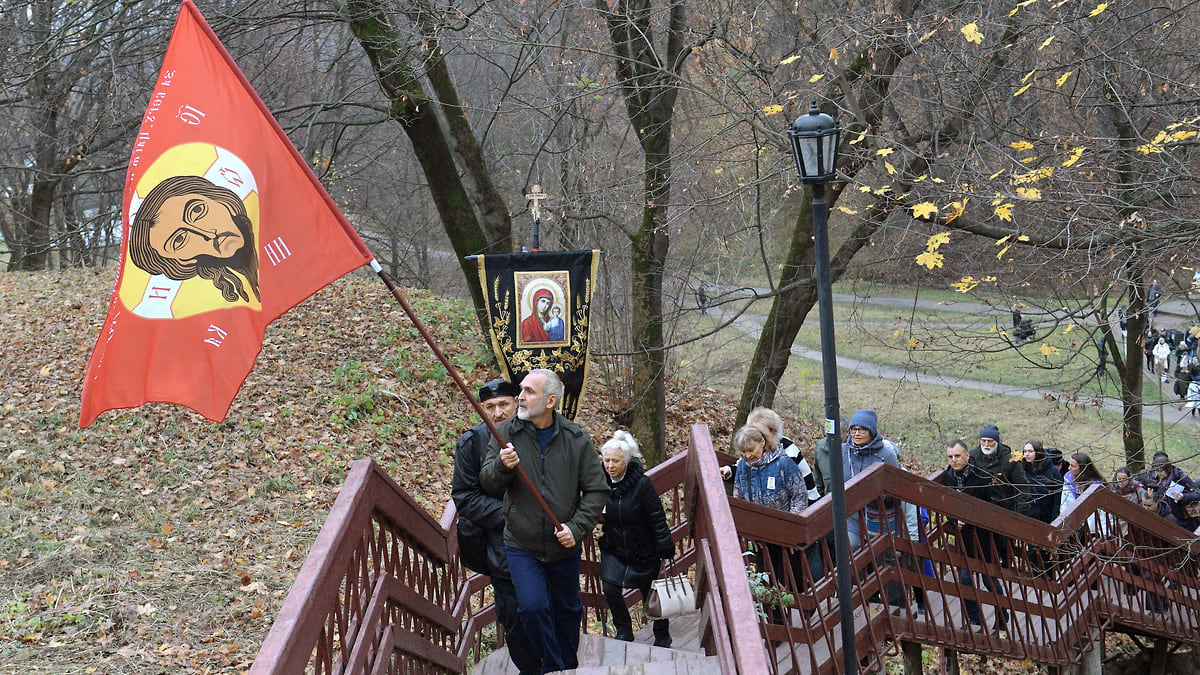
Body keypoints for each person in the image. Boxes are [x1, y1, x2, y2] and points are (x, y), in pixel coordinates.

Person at [480, 368, 609, 673]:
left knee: (567, 610)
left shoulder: (575, 439)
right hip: (521, 543)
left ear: (551, 401)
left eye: (529, 392)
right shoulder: (507, 432)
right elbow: (487, 480)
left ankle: (567, 664)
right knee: (533, 607)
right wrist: (502, 466)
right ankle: (553, 667)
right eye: (521, 390)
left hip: (563, 545)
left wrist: (576, 529)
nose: (520, 397)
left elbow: (596, 490)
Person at [451, 379, 539, 675]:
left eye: (503, 404)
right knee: (515, 615)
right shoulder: (472, 443)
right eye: (489, 407)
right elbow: (465, 498)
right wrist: (511, 514)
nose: (498, 412)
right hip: (503, 547)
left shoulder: (542, 433)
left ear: (517, 403)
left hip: (546, 544)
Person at [128, 175, 260, 305]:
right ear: (182, 260)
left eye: (197, 210)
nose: (208, 234)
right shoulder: (210, 303)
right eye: (179, 240)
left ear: (220, 201)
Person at [597, 430, 675, 647]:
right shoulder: (600, 483)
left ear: (627, 461)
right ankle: (624, 630)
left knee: (650, 592)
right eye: (607, 460)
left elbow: (657, 517)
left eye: (615, 461)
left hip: (643, 548)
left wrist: (664, 545)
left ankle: (662, 634)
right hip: (614, 546)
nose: (610, 465)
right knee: (610, 588)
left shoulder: (642, 485)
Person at [730, 424, 809, 624]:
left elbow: (799, 496)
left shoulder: (783, 463)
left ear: (762, 443)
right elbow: (739, 500)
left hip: (785, 534)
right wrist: (749, 534)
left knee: (792, 577)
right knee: (767, 581)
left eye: (751, 450)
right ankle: (777, 625)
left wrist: (790, 529)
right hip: (759, 536)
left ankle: (806, 611)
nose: (748, 455)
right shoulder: (742, 467)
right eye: (743, 452)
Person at [842, 409, 906, 609]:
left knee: (885, 559)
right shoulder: (844, 451)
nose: (857, 433)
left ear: (871, 431)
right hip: (852, 513)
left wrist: (874, 493)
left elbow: (895, 488)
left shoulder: (885, 454)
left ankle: (896, 604)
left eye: (862, 429)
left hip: (880, 514)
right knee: (851, 547)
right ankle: (865, 598)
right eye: (854, 429)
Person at [942, 439, 1006, 631]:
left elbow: (997, 504)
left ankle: (1002, 616)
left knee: (989, 580)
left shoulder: (983, 476)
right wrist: (954, 520)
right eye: (950, 457)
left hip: (987, 537)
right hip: (965, 537)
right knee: (965, 578)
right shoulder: (949, 477)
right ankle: (974, 619)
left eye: (958, 456)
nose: (954, 460)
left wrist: (975, 518)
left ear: (967, 456)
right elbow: (946, 505)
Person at [971, 424, 1030, 516]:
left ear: (997, 441)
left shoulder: (1010, 460)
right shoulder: (971, 456)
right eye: (983, 441)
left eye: (990, 441)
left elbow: (1022, 487)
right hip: (975, 508)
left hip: (1003, 511)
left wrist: (1019, 515)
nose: (986, 444)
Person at [1145, 456, 1200, 531]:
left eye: (1160, 471)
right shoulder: (1154, 479)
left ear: (1167, 469)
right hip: (1164, 518)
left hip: (1182, 521)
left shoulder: (1180, 478)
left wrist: (1183, 496)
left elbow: (1197, 494)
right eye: (1156, 471)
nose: (1158, 474)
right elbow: (1149, 492)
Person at [1060, 452, 1109, 537]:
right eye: (1069, 465)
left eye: (1073, 466)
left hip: (1092, 529)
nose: (1069, 468)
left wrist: (1104, 533)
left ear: (1082, 468)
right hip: (1073, 525)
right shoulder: (1068, 480)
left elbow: (1103, 514)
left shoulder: (1096, 486)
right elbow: (1065, 503)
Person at [1021, 440, 1062, 524]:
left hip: (1045, 517)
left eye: (1030, 451)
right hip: (1026, 517)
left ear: (1038, 452)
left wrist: (1054, 519)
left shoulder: (1052, 471)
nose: (1027, 454)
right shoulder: (1021, 470)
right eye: (1025, 451)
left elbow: (1057, 498)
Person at [812, 417, 849, 497]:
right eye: (828, 435)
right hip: (829, 501)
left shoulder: (854, 449)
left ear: (847, 432)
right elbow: (818, 482)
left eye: (837, 435)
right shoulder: (820, 448)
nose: (832, 439)